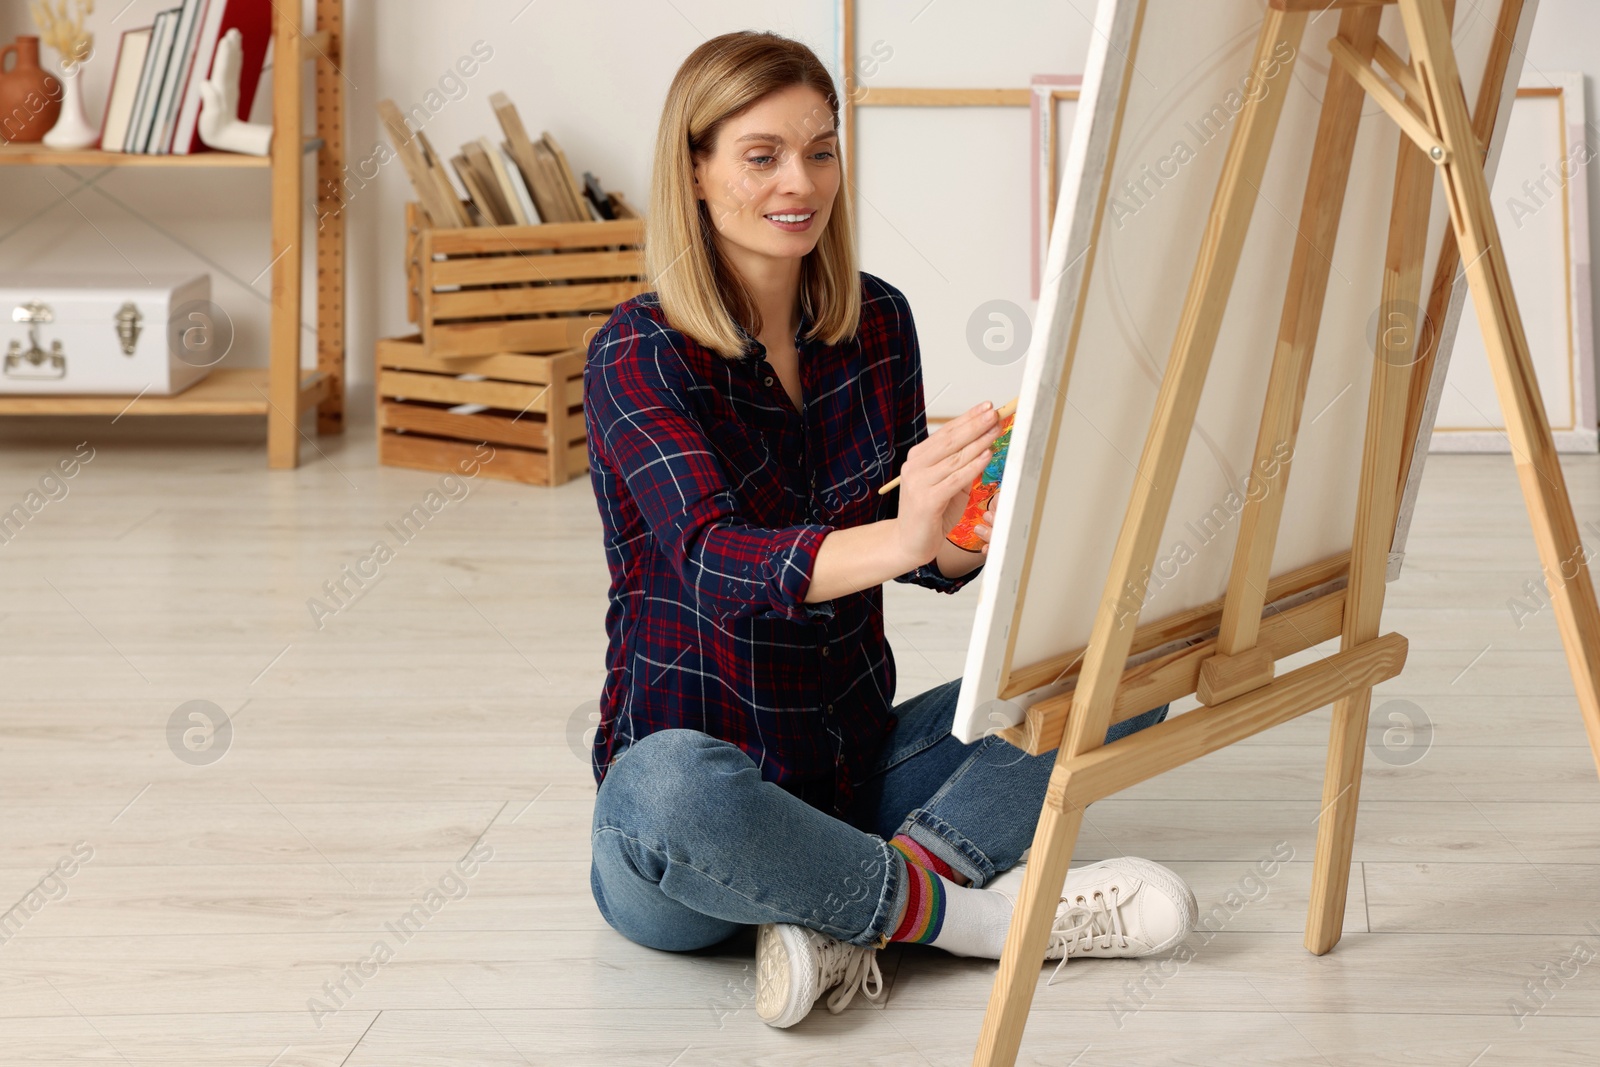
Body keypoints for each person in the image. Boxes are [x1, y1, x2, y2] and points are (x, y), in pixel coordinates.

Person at [583, 29, 1196, 1030]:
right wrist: (909, 537)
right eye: (762, 153)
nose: (802, 180)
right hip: (691, 831)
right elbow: (711, 561)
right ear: (693, 171)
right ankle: (978, 919)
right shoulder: (635, 354)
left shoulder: (876, 321)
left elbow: (902, 531)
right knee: (664, 783)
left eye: (821, 149)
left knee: (1124, 659)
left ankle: (863, 906)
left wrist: (973, 514)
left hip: (848, 773)